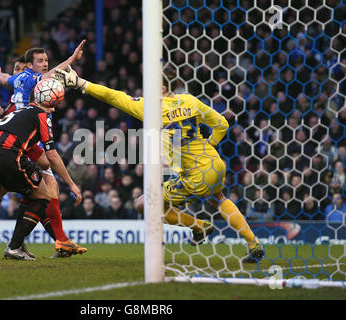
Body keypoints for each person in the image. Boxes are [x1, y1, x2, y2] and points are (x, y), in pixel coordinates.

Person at [55, 65, 264, 263]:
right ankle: (253, 243)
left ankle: (200, 227)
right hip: (215, 164)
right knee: (218, 199)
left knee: (143, 204)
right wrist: (210, 145)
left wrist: (81, 83)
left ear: (162, 88)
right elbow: (222, 124)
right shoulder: (190, 101)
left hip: (195, 175)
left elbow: (112, 95)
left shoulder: (152, 107)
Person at [0, 51, 86, 259]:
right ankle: (55, 240)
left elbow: (3, 79)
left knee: (19, 190)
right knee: (46, 186)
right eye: (40, 61)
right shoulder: (36, 84)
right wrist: (72, 59)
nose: (45, 65)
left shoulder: (15, 90)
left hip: (1, 147)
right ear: (29, 66)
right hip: (22, 148)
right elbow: (55, 73)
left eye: (46, 60)